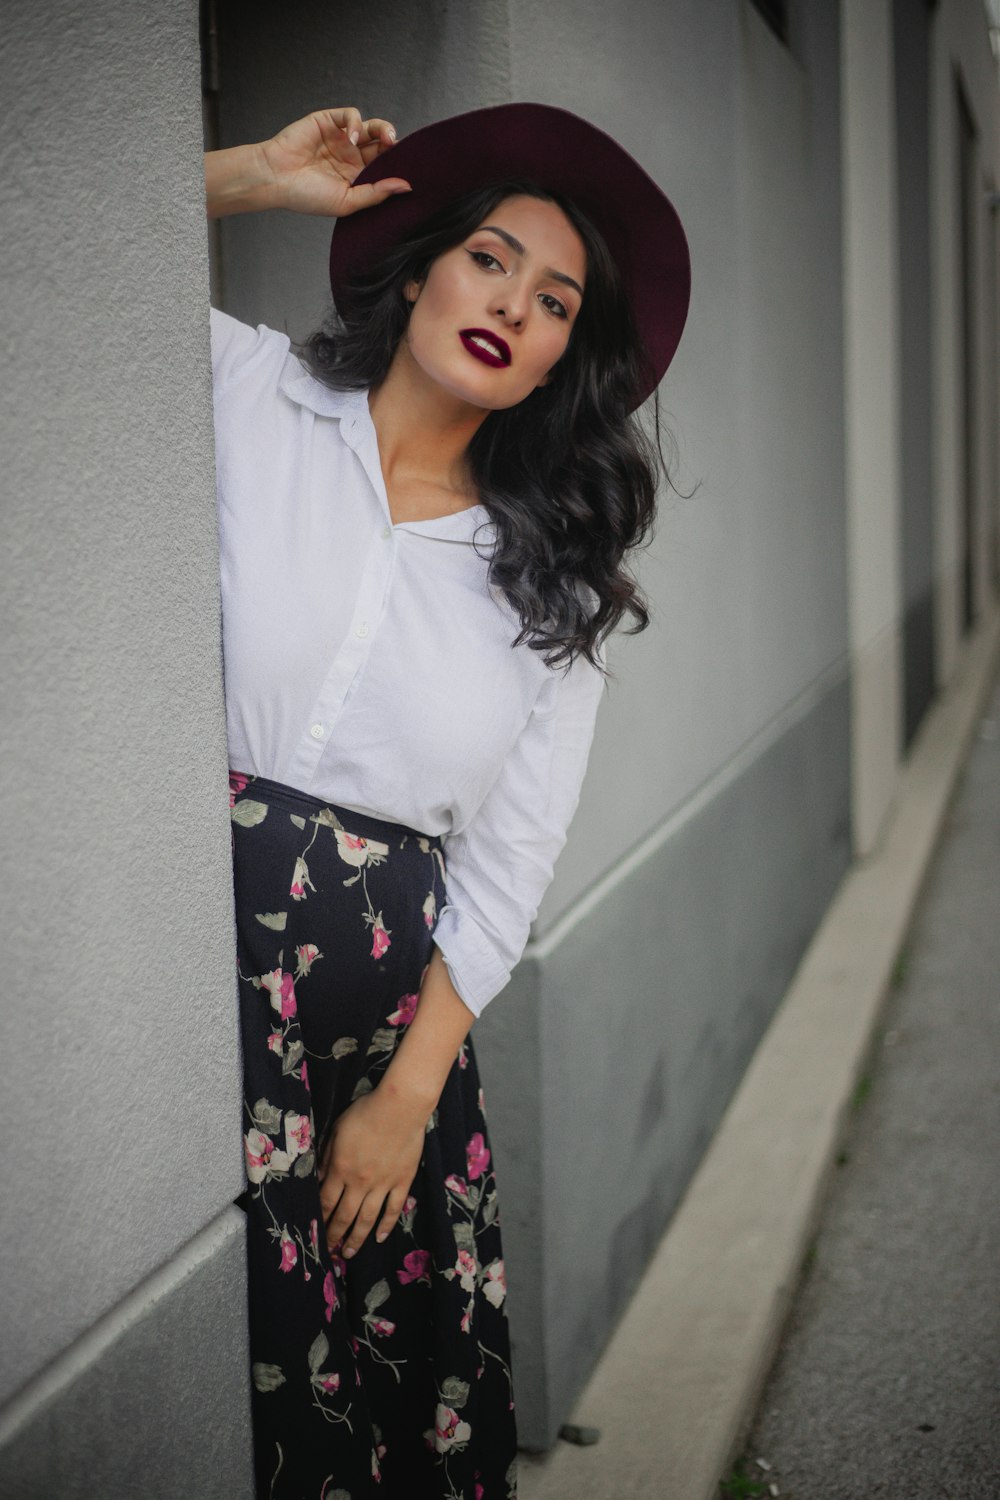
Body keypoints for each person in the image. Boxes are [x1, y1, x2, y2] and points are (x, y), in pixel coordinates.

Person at [204, 101, 689, 1500]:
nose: (513, 307)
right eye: (490, 260)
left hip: (379, 1047)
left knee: (376, 1380)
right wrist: (255, 179)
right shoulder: (250, 397)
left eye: (553, 305)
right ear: (418, 269)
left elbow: (508, 864)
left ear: (556, 365)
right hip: (200, 984)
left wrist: (410, 1098)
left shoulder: (552, 592)